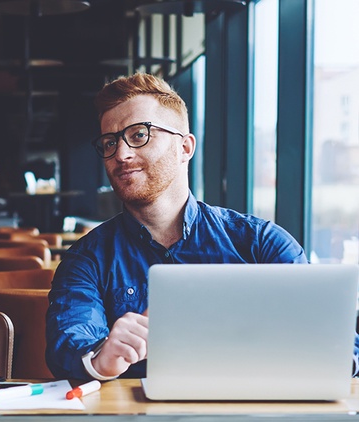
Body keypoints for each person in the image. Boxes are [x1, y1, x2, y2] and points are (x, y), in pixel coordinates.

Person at [45, 73, 352, 381]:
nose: (121, 154)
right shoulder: (85, 259)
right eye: (110, 142)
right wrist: (101, 360)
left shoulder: (261, 243)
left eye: (139, 135)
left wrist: (326, 357)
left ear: (185, 148)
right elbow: (70, 346)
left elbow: (341, 346)